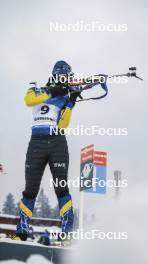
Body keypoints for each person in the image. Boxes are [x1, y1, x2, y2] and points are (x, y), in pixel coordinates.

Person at [13, 61, 80, 241]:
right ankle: (22, 228)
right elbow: (29, 101)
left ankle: (67, 229)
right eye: (63, 76)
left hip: (57, 142)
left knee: (61, 186)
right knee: (30, 188)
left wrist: (71, 102)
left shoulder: (65, 97)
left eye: (68, 77)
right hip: (36, 143)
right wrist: (52, 92)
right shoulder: (36, 89)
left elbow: (63, 125)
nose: (66, 79)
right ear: (56, 75)